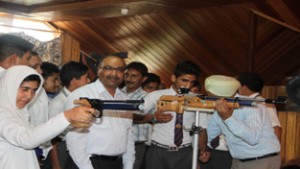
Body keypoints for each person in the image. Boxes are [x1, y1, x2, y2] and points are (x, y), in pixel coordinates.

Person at [0, 65, 95, 169]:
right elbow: (26, 139)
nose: (29, 96)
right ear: (10, 87)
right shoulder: (2, 113)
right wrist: (66, 116)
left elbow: (37, 135)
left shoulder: (20, 112)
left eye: (34, 90)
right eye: (25, 89)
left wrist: (69, 121)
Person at [65, 55, 135, 169]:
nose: (114, 73)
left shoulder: (124, 99)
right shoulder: (82, 95)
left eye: (119, 70)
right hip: (87, 163)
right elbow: (74, 139)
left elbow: (128, 136)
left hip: (116, 164)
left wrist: (128, 165)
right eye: (108, 68)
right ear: (99, 70)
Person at [142, 60, 209, 169]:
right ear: (173, 78)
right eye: (184, 80)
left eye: (192, 82)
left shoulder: (197, 100)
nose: (187, 85)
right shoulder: (155, 96)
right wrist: (153, 118)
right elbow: (136, 117)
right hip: (158, 151)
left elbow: (202, 129)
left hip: (185, 152)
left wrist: (202, 150)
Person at [207, 75, 281, 169]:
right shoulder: (220, 107)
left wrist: (228, 118)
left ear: (220, 94)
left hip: (260, 161)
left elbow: (252, 138)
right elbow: (210, 135)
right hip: (237, 161)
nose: (210, 99)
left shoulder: (252, 106)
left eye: (211, 96)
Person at [49, 61, 90, 169]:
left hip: (80, 146)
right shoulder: (58, 103)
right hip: (63, 149)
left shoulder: (81, 98)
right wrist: (56, 164)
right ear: (74, 81)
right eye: (86, 78)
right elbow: (52, 137)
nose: (89, 81)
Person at [200, 75, 240, 169]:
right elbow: (201, 129)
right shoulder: (201, 104)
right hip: (207, 150)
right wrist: (202, 149)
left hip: (229, 153)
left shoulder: (238, 106)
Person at [236, 72, 282, 141]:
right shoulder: (241, 101)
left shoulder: (264, 104)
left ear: (244, 87)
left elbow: (276, 128)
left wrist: (274, 150)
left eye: (237, 85)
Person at [121, 61, 149, 169]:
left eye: (134, 76)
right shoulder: (116, 93)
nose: (128, 79)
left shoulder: (146, 97)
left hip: (136, 145)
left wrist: (116, 114)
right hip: (116, 142)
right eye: (126, 75)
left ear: (143, 79)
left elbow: (140, 117)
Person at [28, 51, 52, 167]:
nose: (40, 71)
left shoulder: (41, 91)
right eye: (34, 67)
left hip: (42, 149)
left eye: (40, 66)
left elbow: (43, 120)